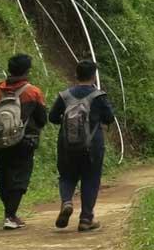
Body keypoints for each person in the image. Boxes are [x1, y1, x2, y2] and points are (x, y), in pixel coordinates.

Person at [0, 53, 48, 230]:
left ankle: (9, 213)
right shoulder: (33, 92)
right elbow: (42, 119)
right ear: (27, 71)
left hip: (0, 141)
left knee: (4, 176)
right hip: (25, 141)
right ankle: (10, 216)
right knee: (20, 177)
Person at [49, 60, 116, 233]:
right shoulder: (99, 96)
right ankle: (86, 219)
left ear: (76, 75)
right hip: (92, 145)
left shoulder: (64, 96)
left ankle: (67, 202)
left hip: (66, 144)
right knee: (90, 178)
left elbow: (53, 117)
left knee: (66, 176)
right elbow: (109, 117)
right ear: (94, 76)